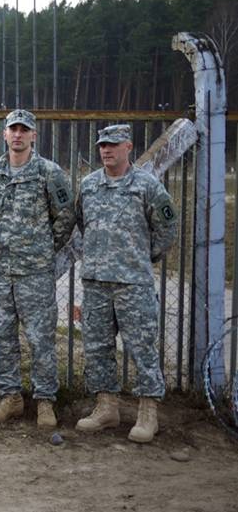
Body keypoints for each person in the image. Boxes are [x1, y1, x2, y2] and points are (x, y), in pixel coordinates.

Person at [75, 124, 177, 443]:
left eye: (113, 145)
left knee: (141, 347)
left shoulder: (147, 186)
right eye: (102, 145)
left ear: (128, 147)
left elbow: (167, 228)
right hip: (96, 282)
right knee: (97, 346)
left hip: (133, 283)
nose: (106, 150)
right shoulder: (89, 185)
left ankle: (148, 413)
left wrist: (142, 257)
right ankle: (107, 407)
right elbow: (82, 223)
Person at [0, 109, 75, 428]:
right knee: (2, 335)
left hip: (35, 272)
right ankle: (11, 398)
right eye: (13, 129)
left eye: (24, 130)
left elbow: (65, 217)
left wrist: (42, 248)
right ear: (4, 134)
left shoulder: (49, 172)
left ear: (34, 135)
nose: (18, 135)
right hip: (0, 270)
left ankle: (45, 400)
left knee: (40, 337)